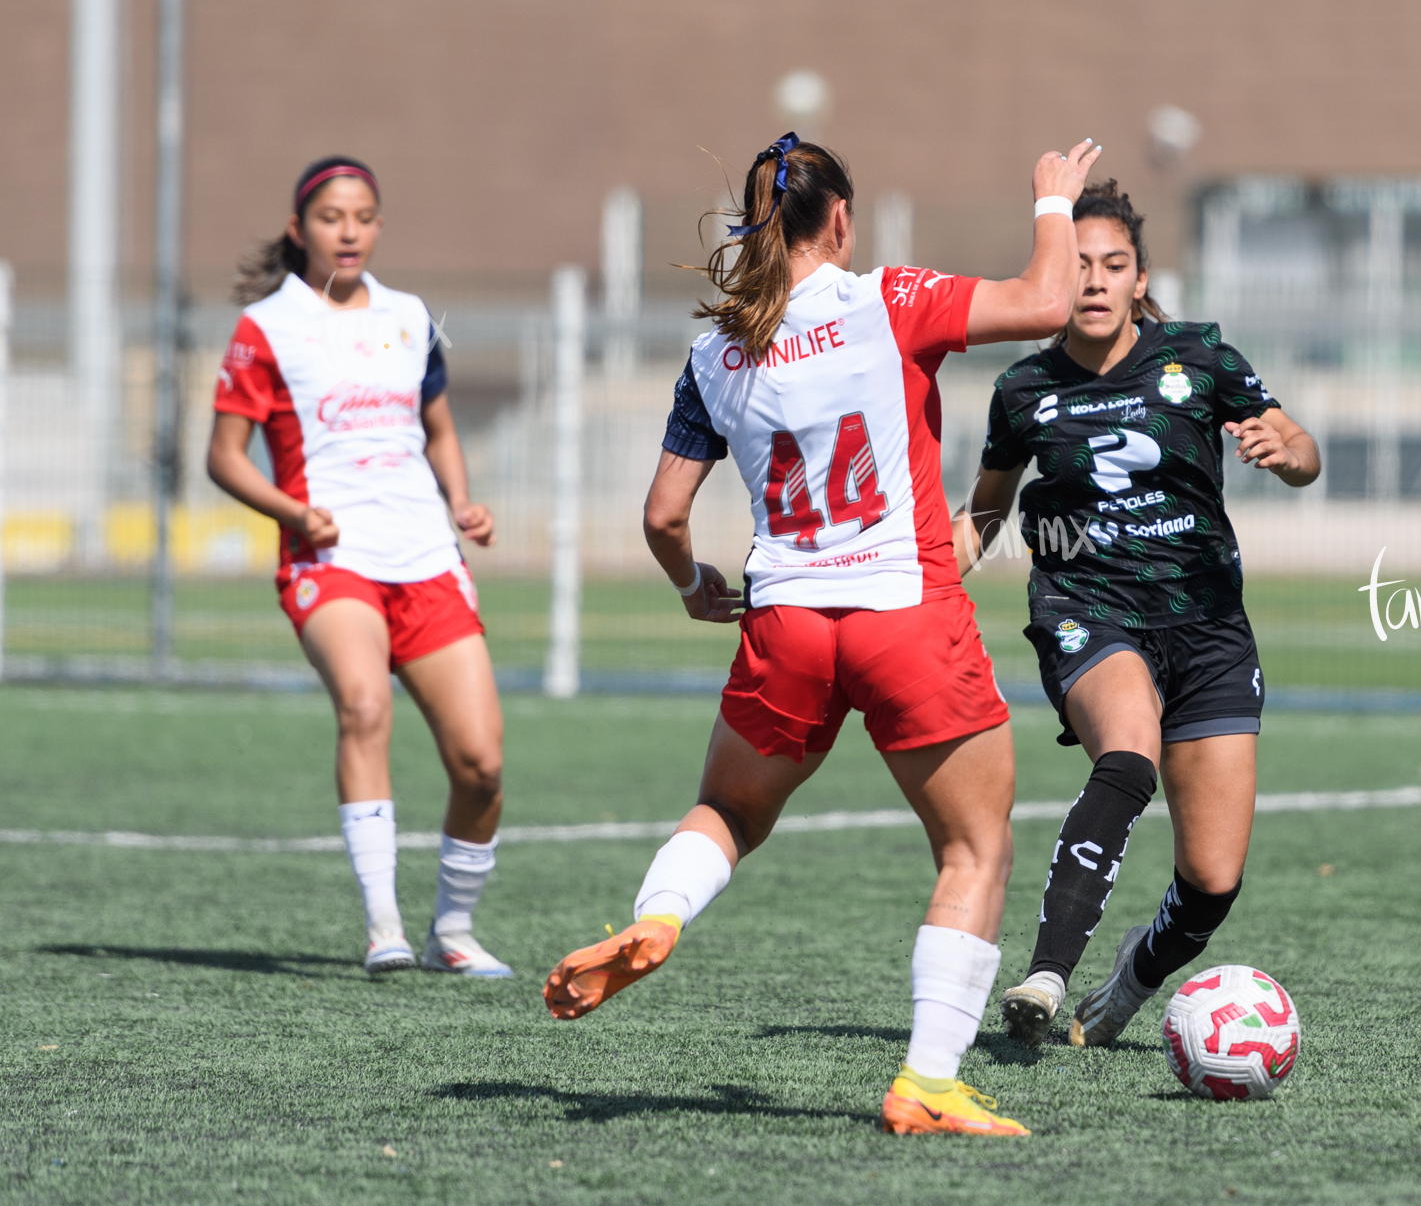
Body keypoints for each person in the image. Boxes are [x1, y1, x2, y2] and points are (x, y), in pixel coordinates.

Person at [540, 132, 1102, 1138]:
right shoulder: (884, 299)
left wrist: (690, 587)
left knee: (728, 809)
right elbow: (1047, 303)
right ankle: (926, 1082)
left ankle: (659, 917)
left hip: (786, 619)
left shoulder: (717, 348)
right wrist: (1053, 201)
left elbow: (663, 516)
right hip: (902, 612)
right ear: (838, 219)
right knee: (972, 849)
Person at [957, 180, 1321, 1048]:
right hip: (1088, 608)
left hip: (1207, 630)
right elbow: (982, 518)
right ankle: (1046, 971)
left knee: (1212, 879)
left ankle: (1135, 976)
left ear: (1139, 278)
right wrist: (913, 578)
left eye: (1111, 265)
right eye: (1076, 264)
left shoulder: (1198, 357)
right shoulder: (1024, 389)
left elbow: (1301, 446)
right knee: (1127, 752)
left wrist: (1289, 453)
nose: (1092, 280)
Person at [208, 156, 511, 979]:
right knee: (365, 703)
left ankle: (454, 927)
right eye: (333, 216)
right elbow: (223, 458)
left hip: (425, 554)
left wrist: (462, 501)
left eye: (365, 216)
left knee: (481, 762)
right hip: (331, 556)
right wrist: (291, 510)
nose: (349, 230)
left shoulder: (411, 316)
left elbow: (439, 428)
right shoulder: (266, 327)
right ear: (299, 229)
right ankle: (385, 927)